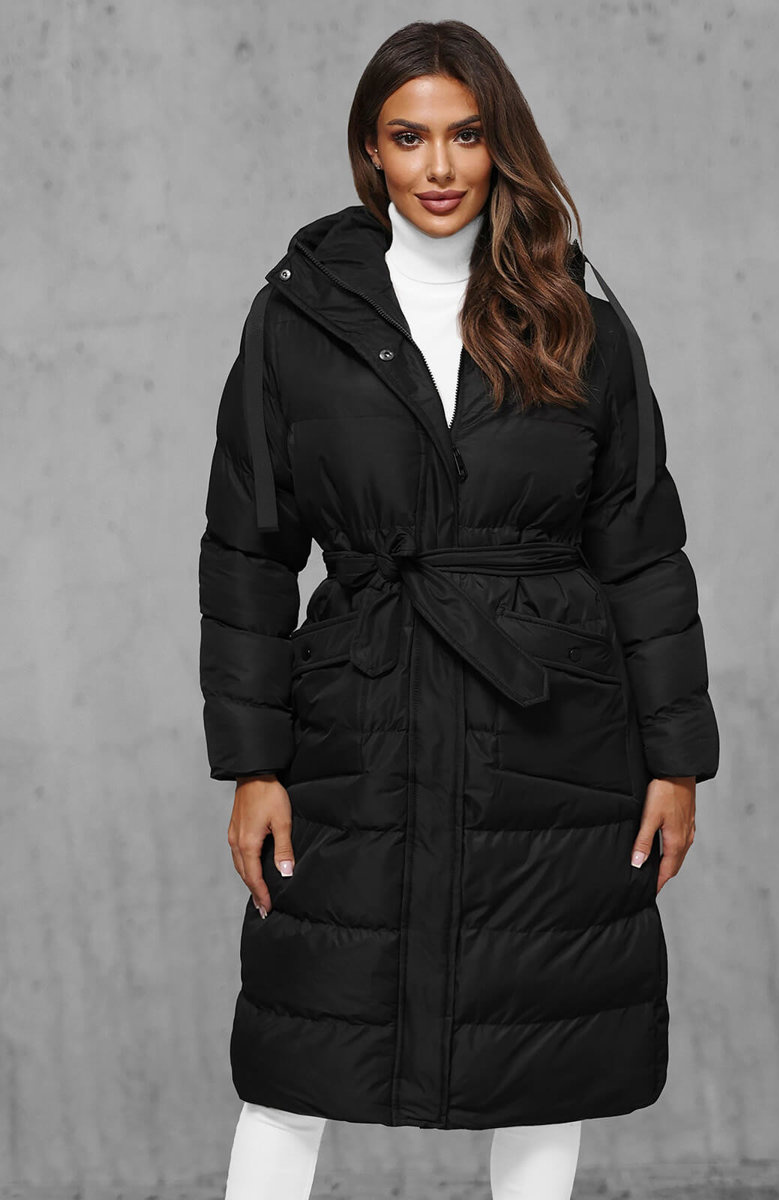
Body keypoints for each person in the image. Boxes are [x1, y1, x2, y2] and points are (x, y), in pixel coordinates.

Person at [197, 19, 720, 1200]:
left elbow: (643, 553)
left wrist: (677, 760)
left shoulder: (578, 319)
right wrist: (254, 764)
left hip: (553, 733)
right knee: (298, 1043)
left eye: (465, 135)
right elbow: (247, 553)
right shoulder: (297, 321)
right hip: (355, 724)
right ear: (370, 152)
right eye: (408, 137)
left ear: (500, 145)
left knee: (544, 1047)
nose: (438, 166)